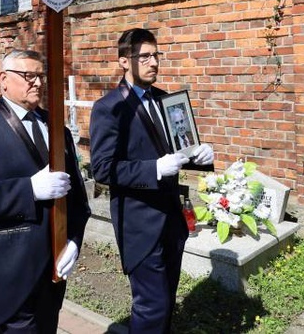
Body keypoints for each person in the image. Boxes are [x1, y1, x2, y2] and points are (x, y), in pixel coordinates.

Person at [0, 49, 90, 333]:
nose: (37, 82)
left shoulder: (56, 129)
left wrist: (74, 239)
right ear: (3, 79)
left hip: (52, 269)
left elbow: (76, 196)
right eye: (28, 75)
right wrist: (29, 189)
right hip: (8, 271)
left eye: (41, 75)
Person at [89, 28, 214, 333]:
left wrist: (201, 156)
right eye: (143, 56)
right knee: (151, 306)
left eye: (156, 55)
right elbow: (104, 169)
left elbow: (180, 148)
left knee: (167, 299)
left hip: (172, 218)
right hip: (139, 223)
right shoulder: (109, 108)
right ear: (123, 61)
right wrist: (154, 169)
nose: (153, 62)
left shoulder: (166, 99)